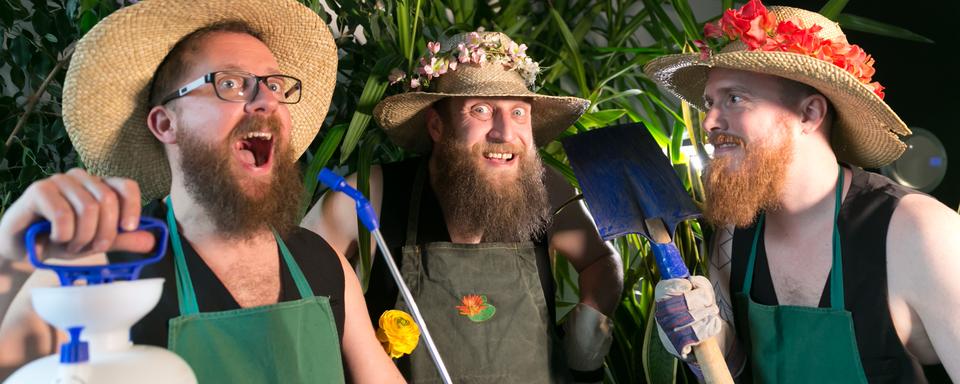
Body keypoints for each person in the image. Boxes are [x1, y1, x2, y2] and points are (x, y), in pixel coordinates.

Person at [0, 0, 403, 382]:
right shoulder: (96, 269)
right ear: (165, 124)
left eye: (275, 85)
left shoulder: (324, 263)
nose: (266, 100)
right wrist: (8, 258)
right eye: (230, 83)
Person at [644, 1, 960, 382]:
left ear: (809, 114)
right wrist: (708, 344)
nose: (709, 120)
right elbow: (737, 370)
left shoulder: (917, 232)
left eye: (735, 98)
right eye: (710, 102)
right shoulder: (734, 234)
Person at [302, 31, 623, 383]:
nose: (503, 132)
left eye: (518, 112)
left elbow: (600, 260)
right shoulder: (371, 193)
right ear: (438, 126)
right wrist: (360, 352)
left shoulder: (548, 192)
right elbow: (296, 280)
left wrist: (588, 328)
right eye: (481, 110)